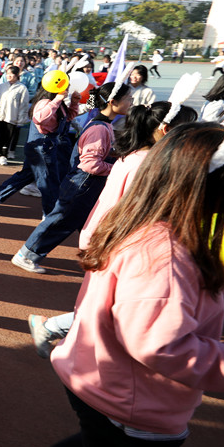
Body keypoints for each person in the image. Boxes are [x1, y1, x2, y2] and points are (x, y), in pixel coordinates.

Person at [1, 122, 224, 447]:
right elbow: (159, 344)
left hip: (111, 386)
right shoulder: (165, 253)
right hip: (131, 398)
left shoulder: (157, 229)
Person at [28, 97, 198, 357]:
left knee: (111, 305)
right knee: (114, 307)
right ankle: (57, 332)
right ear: (165, 131)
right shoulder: (145, 163)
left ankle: (54, 329)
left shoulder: (139, 157)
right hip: (115, 243)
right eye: (187, 130)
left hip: (112, 240)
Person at [11, 81, 132, 274]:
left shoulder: (103, 124)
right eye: (128, 99)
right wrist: (117, 167)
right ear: (112, 101)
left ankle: (98, 257)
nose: (131, 102)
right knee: (59, 221)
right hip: (82, 184)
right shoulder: (99, 128)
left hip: (86, 185)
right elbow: (90, 164)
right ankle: (26, 254)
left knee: (85, 223)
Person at [0, 85, 81, 217]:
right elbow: (40, 118)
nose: (67, 90)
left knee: (26, 176)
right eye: (65, 87)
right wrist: (57, 99)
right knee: (49, 182)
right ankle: (50, 214)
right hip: (42, 147)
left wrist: (74, 103)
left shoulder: (58, 103)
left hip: (45, 146)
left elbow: (67, 118)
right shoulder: (46, 102)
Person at [0, 65, 30, 167]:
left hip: (11, 117)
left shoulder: (22, 88)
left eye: (11, 74)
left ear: (17, 75)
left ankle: (4, 155)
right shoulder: (1, 86)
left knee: (8, 137)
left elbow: (23, 105)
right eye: (7, 74)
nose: (9, 76)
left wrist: (20, 119)